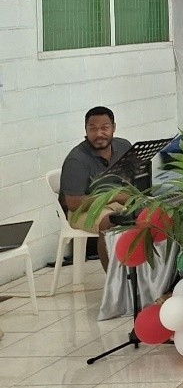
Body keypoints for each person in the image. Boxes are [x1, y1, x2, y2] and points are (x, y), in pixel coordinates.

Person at [60, 106, 132, 269]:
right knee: (111, 221)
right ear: (85, 130)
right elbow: (73, 203)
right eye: (93, 129)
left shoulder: (123, 146)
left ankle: (149, 275)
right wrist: (115, 196)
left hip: (117, 202)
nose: (99, 134)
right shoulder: (76, 160)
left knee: (152, 212)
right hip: (82, 210)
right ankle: (113, 282)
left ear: (114, 127)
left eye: (105, 128)